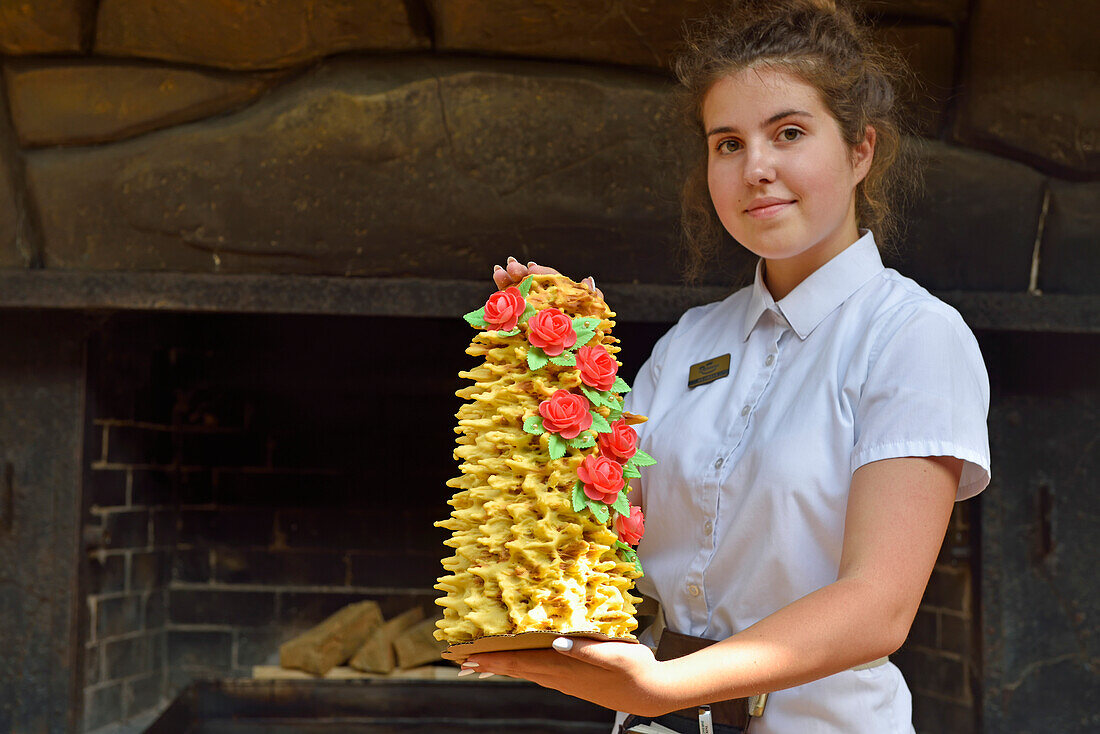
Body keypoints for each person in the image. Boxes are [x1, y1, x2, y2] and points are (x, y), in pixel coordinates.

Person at [465, 1, 991, 732]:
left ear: (861, 149)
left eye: (790, 133)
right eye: (728, 144)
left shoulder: (913, 336)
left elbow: (880, 605)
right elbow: (601, 528)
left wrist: (667, 686)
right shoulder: (687, 343)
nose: (757, 169)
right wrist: (560, 363)